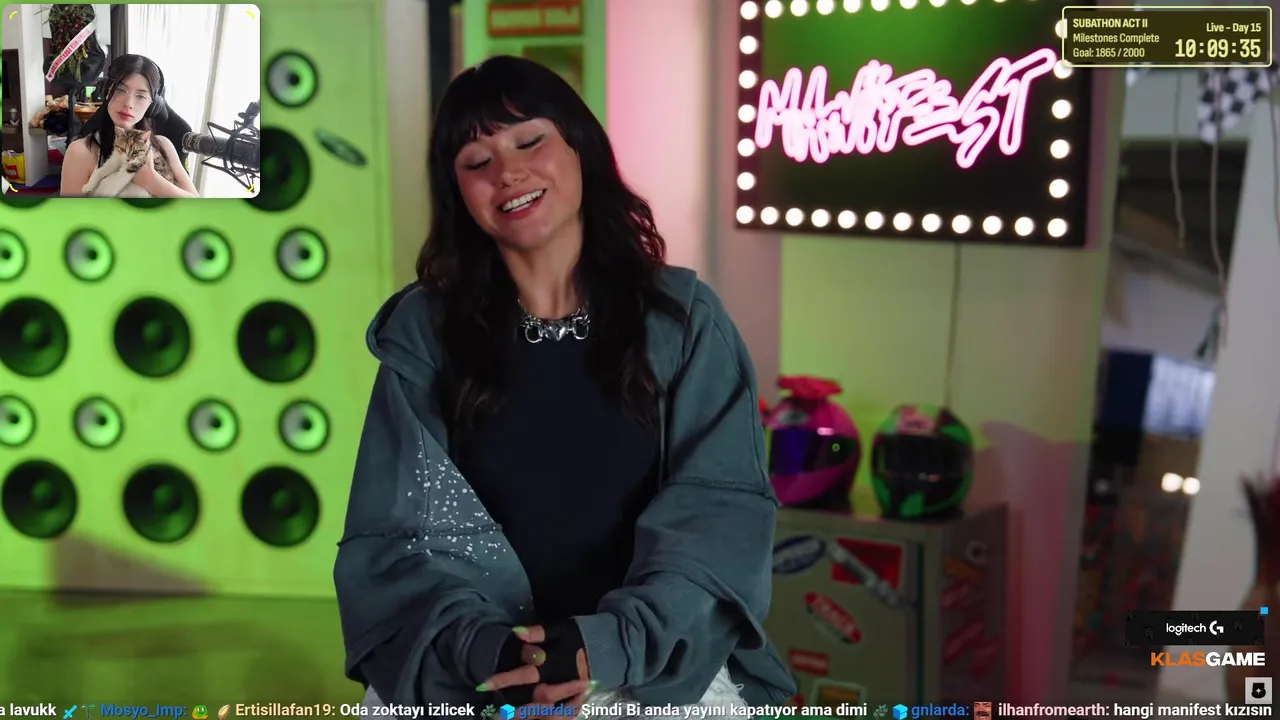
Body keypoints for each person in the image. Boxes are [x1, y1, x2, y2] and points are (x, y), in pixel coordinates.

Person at [333, 55, 797, 714]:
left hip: (647, 665)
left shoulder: (684, 320)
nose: (507, 172)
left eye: (529, 141)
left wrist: (603, 647)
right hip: (477, 667)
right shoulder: (424, 332)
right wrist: (488, 651)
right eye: (476, 161)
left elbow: (720, 517)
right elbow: (398, 532)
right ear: (456, 192)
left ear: (581, 148)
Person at [59, 54, 199, 198]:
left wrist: (152, 181)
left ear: (152, 105)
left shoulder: (164, 145)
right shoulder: (82, 151)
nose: (129, 104)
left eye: (141, 96)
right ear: (107, 91)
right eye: (120, 90)